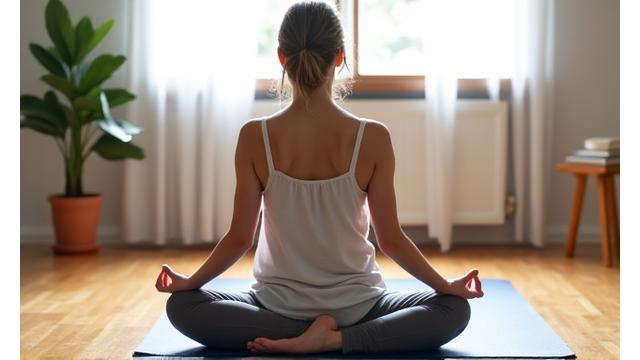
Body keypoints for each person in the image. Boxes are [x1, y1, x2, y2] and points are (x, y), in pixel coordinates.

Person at [155, 0, 483, 355]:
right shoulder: (372, 137)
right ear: (339, 57)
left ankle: (298, 333)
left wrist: (190, 282)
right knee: (453, 310)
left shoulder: (255, 136)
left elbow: (239, 238)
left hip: (275, 307)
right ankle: (337, 338)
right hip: (359, 310)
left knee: (183, 306)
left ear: (282, 57)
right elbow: (391, 240)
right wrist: (445, 285)